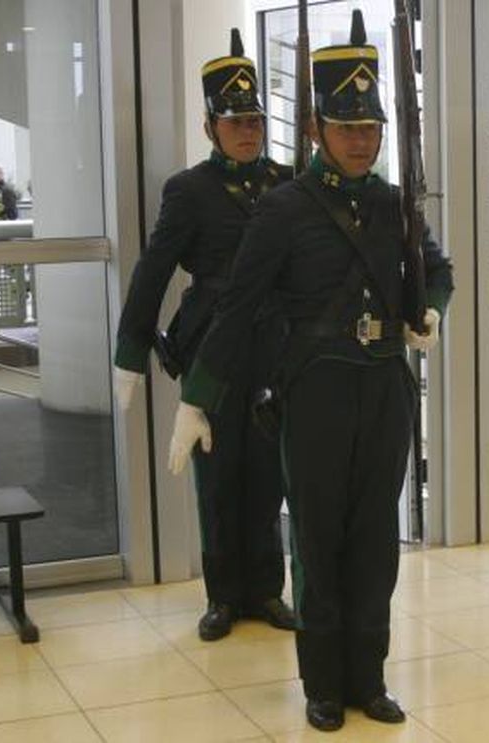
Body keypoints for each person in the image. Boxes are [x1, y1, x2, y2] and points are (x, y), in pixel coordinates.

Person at [171, 11, 453, 732]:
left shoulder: (395, 204)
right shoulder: (284, 209)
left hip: (386, 385)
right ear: (319, 129)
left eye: (371, 128)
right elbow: (236, 309)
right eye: (347, 127)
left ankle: (370, 674)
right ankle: (324, 682)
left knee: (375, 542)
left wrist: (433, 310)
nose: (362, 140)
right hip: (317, 387)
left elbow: (439, 269)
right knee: (320, 539)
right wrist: (196, 398)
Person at [112, 29, 296, 641]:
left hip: (275, 344)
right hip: (213, 346)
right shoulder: (189, 190)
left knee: (269, 471)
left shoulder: (287, 183)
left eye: (255, 120)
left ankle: (267, 590)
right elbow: (154, 268)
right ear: (210, 125)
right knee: (218, 473)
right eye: (235, 120)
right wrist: (130, 351)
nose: (248, 131)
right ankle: (223, 596)